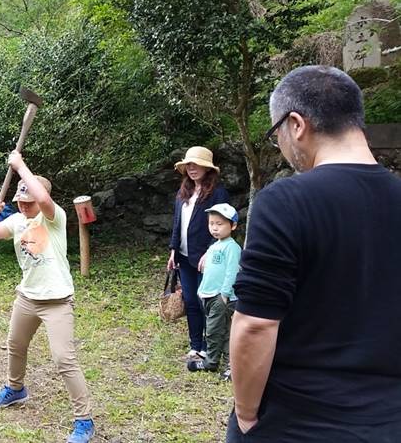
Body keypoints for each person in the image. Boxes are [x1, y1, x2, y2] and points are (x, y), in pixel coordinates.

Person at [227, 66, 401, 441]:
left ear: (296, 125)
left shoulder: (286, 201)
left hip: (298, 420)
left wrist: (245, 414)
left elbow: (256, 323)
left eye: (277, 135)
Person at [0, 151, 95, 443]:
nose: (23, 204)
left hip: (57, 300)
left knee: (64, 359)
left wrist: (20, 166)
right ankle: (15, 388)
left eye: (28, 200)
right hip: (27, 297)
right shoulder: (19, 221)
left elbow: (44, 201)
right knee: (15, 345)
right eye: (21, 200)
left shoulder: (54, 218)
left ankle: (84, 420)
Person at [166, 146, 229, 360]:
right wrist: (173, 250)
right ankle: (195, 345)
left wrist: (211, 251)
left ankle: (209, 347)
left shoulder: (218, 193)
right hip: (184, 256)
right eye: (188, 165)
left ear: (207, 168)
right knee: (191, 301)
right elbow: (177, 223)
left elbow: (222, 225)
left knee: (207, 302)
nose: (192, 169)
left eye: (196, 165)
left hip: (206, 257)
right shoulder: (183, 191)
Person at [187, 203, 240, 377]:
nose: (215, 228)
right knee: (215, 329)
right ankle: (214, 361)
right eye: (212, 223)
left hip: (221, 297)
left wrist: (224, 294)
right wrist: (202, 291)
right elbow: (210, 272)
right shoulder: (214, 246)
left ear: (232, 226)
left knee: (217, 331)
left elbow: (232, 272)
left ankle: (224, 364)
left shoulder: (231, 247)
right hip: (208, 295)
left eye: (220, 224)